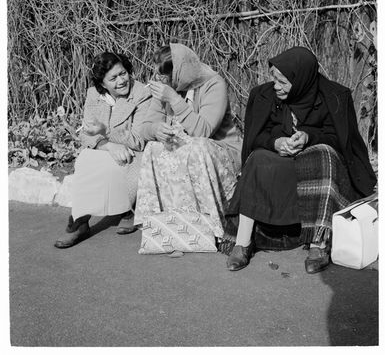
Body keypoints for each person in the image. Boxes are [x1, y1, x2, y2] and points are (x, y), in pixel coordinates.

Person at [222, 46, 377, 273]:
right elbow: (256, 138)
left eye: (283, 82)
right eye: (274, 79)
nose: (276, 86)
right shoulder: (263, 96)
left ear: (301, 79)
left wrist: (308, 137)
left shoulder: (334, 97)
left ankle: (318, 243)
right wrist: (276, 143)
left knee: (322, 154)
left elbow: (341, 141)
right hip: (279, 156)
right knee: (258, 159)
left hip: (317, 159)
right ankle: (242, 243)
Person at [133, 43, 243, 238]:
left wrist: (174, 99)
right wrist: (156, 129)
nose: (162, 79)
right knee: (153, 148)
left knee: (197, 147)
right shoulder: (167, 87)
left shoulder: (213, 84)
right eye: (160, 75)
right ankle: (166, 223)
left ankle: (210, 225)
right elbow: (144, 128)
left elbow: (203, 131)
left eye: (167, 75)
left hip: (219, 152)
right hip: (185, 149)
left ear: (180, 72)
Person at [54, 52, 152, 248]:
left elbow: (139, 140)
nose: (121, 81)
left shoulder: (141, 94)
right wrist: (106, 145)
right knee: (85, 159)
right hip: (107, 149)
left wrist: (106, 132)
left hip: (134, 152)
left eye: (123, 73)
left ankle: (128, 208)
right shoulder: (93, 94)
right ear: (102, 83)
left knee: (111, 163)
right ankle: (79, 221)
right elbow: (85, 134)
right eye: (113, 78)